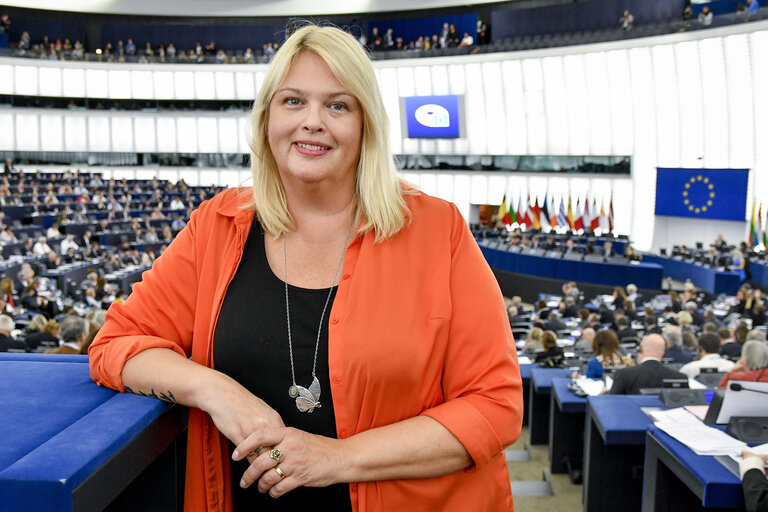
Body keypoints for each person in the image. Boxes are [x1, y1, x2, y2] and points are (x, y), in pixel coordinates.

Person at [89, 25, 522, 512]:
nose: (312, 121)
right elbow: (116, 345)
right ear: (267, 118)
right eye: (293, 101)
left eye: (337, 105)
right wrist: (215, 390)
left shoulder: (439, 230)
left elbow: (495, 407)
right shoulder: (217, 225)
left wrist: (340, 458)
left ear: (365, 126)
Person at [609, 334, 687, 395]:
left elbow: (611, 403)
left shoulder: (623, 374)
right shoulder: (679, 378)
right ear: (663, 352)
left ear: (641, 349)